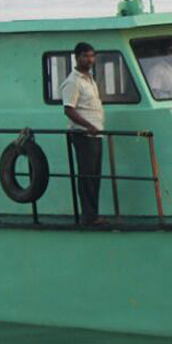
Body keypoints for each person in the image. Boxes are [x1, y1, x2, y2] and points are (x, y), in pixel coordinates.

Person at [61, 42, 106, 224]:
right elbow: (68, 109)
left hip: (96, 134)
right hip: (83, 134)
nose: (90, 60)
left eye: (92, 56)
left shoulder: (90, 79)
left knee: (95, 176)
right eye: (86, 56)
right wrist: (88, 126)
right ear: (77, 57)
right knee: (87, 175)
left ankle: (93, 214)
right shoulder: (73, 82)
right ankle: (88, 216)